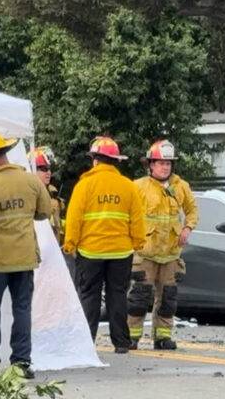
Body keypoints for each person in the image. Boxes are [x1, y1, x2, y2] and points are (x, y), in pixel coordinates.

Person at [0, 132, 52, 379]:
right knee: (22, 310)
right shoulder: (31, 181)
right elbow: (45, 212)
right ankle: (21, 363)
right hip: (24, 257)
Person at [63, 136, 146, 354]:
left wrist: (70, 244)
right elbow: (137, 219)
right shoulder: (128, 187)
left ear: (95, 161)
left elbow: (74, 218)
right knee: (117, 295)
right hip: (121, 251)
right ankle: (121, 343)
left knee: (89, 296)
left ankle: (85, 342)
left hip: (90, 252)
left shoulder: (84, 185)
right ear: (115, 161)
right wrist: (138, 242)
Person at [127, 140, 198, 351]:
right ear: (150, 164)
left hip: (171, 253)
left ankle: (162, 337)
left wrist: (188, 228)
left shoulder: (181, 187)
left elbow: (193, 210)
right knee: (139, 297)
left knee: (168, 299)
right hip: (145, 252)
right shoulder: (138, 186)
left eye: (168, 163)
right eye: (160, 163)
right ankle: (131, 337)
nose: (165, 166)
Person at [28, 146, 65, 244]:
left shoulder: (53, 191)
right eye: (44, 169)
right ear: (32, 170)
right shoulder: (27, 194)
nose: (48, 172)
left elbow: (57, 222)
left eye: (49, 168)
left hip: (54, 247)